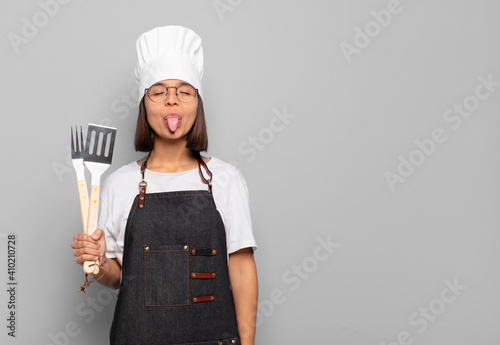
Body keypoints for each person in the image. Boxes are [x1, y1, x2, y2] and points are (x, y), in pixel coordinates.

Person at [71, 25, 258, 345]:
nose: (172, 101)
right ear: (145, 105)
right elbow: (118, 279)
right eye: (159, 92)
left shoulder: (226, 180)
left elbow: (241, 271)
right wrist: (99, 262)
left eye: (184, 91)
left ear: (197, 104)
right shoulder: (118, 184)